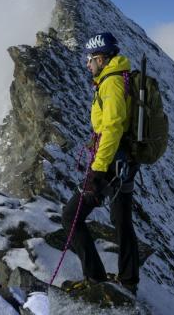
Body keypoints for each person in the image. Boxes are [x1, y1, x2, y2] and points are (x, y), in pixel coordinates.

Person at [61, 31, 140, 295]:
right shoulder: (116, 78)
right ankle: (129, 281)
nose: (87, 64)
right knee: (121, 220)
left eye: (90, 58)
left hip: (111, 164)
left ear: (102, 58)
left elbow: (113, 127)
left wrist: (97, 169)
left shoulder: (112, 83)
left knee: (71, 215)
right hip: (125, 161)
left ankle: (95, 279)